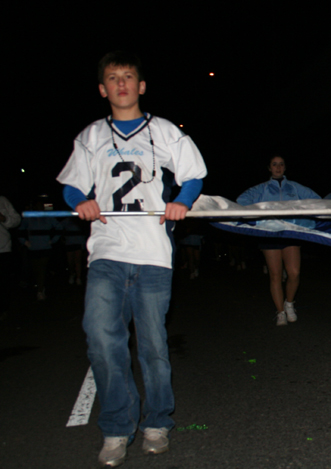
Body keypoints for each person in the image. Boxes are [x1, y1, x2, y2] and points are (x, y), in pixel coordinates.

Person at [57, 51, 207, 466]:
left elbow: (193, 174)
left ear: (141, 86)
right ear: (102, 89)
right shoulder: (90, 136)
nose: (121, 83)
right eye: (112, 78)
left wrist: (181, 201)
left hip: (154, 253)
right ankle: (117, 427)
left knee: (154, 345)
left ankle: (157, 422)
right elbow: (71, 186)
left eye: (128, 76)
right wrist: (81, 202)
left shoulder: (163, 131)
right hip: (106, 251)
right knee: (102, 339)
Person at [237, 155, 320, 326]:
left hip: (290, 233)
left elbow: (317, 200)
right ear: (269, 168)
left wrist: (301, 214)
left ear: (285, 167)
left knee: (294, 273)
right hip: (269, 233)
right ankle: (280, 312)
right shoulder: (261, 189)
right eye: (274, 164)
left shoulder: (295, 187)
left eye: (281, 164)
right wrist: (261, 214)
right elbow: (241, 201)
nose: (278, 167)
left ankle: (289, 303)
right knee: (275, 274)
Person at [0, 194, 22, 318]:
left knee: (3, 281)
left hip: (2, 248)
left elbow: (16, 220)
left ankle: (3, 309)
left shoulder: (2, 200)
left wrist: (4, 218)